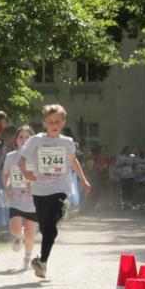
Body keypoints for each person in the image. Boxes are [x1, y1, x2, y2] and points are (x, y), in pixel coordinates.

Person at [19, 104, 91, 278]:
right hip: (39, 189)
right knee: (47, 228)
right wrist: (26, 173)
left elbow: (73, 161)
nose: (54, 125)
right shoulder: (35, 140)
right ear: (44, 123)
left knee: (51, 222)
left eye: (57, 121)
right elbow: (22, 160)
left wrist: (83, 180)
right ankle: (42, 264)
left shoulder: (67, 142)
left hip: (60, 188)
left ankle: (43, 260)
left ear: (63, 122)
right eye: (50, 122)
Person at [3, 125, 39, 270]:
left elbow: (46, 176)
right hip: (17, 199)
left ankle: (27, 257)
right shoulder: (11, 157)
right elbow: (5, 175)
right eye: (21, 137)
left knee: (30, 233)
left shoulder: (38, 156)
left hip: (34, 201)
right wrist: (8, 187)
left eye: (27, 137)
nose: (24, 140)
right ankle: (19, 236)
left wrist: (35, 183)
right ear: (16, 140)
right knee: (15, 229)